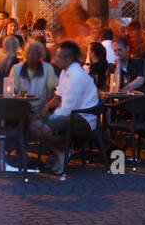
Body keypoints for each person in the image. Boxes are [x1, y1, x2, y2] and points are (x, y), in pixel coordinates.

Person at [37, 41, 100, 175]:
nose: (55, 59)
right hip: (71, 114)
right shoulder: (65, 72)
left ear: (68, 58)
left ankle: (63, 152)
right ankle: (61, 152)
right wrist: (45, 108)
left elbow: (67, 109)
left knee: (44, 127)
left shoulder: (76, 76)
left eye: (59, 57)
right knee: (33, 123)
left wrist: (48, 118)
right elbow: (58, 96)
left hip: (84, 117)